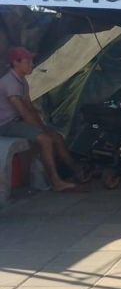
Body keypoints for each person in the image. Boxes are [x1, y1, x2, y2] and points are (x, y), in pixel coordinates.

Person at [0, 47, 89, 192]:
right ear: (16, 63)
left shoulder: (22, 81)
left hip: (17, 122)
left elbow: (30, 108)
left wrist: (43, 127)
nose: (32, 65)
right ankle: (56, 182)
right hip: (6, 125)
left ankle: (76, 171)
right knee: (46, 140)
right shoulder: (10, 83)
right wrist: (41, 130)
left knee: (57, 137)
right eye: (28, 62)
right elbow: (24, 112)